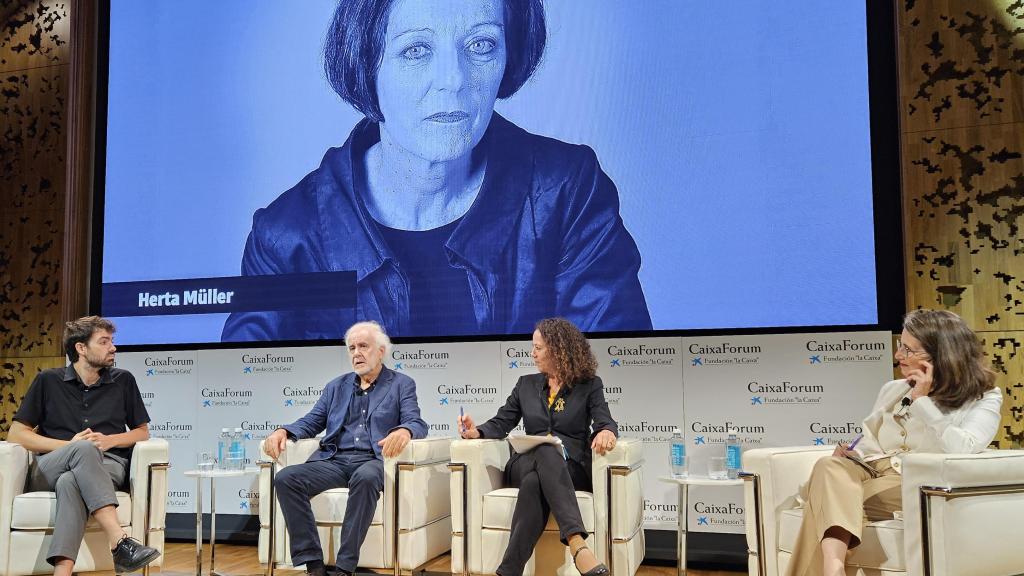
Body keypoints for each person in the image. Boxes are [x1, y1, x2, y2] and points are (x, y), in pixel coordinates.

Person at [222, 0, 651, 342]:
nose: (453, 80)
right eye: (416, 50)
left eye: (481, 44)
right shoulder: (287, 237)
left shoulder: (567, 192)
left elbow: (617, 385)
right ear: (366, 61)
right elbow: (254, 410)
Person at [788, 309, 1004, 576]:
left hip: (914, 482)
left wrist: (923, 401)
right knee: (829, 466)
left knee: (826, 500)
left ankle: (833, 565)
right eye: (900, 346)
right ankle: (834, 568)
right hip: (870, 472)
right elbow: (870, 444)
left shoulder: (984, 397)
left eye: (908, 350)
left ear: (941, 355)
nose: (898, 355)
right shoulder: (893, 389)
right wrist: (852, 456)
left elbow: (964, 448)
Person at [262, 321, 428, 576]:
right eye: (351, 348)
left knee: (366, 477)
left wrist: (405, 431)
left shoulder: (401, 384)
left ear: (381, 351)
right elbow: (312, 421)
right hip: (335, 460)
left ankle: (344, 567)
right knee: (286, 478)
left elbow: (415, 420)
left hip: (372, 460)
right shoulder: (336, 387)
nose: (356, 353)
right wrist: (283, 430)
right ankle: (313, 564)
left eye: (363, 346)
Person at [458, 318, 618, 576]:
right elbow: (503, 422)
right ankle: (578, 545)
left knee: (534, 484)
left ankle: (509, 571)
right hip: (526, 462)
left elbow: (604, 419)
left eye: (538, 348)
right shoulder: (526, 384)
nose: (532, 353)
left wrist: (607, 431)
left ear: (558, 349)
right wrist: (476, 431)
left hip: (571, 469)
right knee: (545, 450)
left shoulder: (589, 385)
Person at [7, 317, 161, 576]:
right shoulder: (48, 381)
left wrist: (109, 440)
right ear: (81, 348)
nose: (113, 347)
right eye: (104, 342)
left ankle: (62, 573)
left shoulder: (123, 380)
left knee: (71, 482)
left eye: (112, 341)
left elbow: (142, 432)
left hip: (107, 465)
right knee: (83, 451)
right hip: (50, 466)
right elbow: (16, 434)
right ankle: (119, 542)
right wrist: (70, 445)